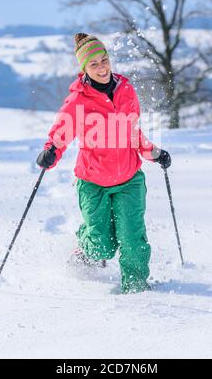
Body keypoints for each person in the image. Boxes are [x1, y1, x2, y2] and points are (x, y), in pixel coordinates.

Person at [37, 33, 171, 294]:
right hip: (93, 182)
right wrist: (51, 151)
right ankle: (84, 248)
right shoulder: (78, 101)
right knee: (102, 246)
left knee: (132, 240)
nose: (102, 68)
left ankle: (137, 289)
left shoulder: (125, 90)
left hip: (129, 180)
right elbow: (61, 133)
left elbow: (131, 131)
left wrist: (153, 153)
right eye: (94, 64)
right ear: (84, 69)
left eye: (104, 60)